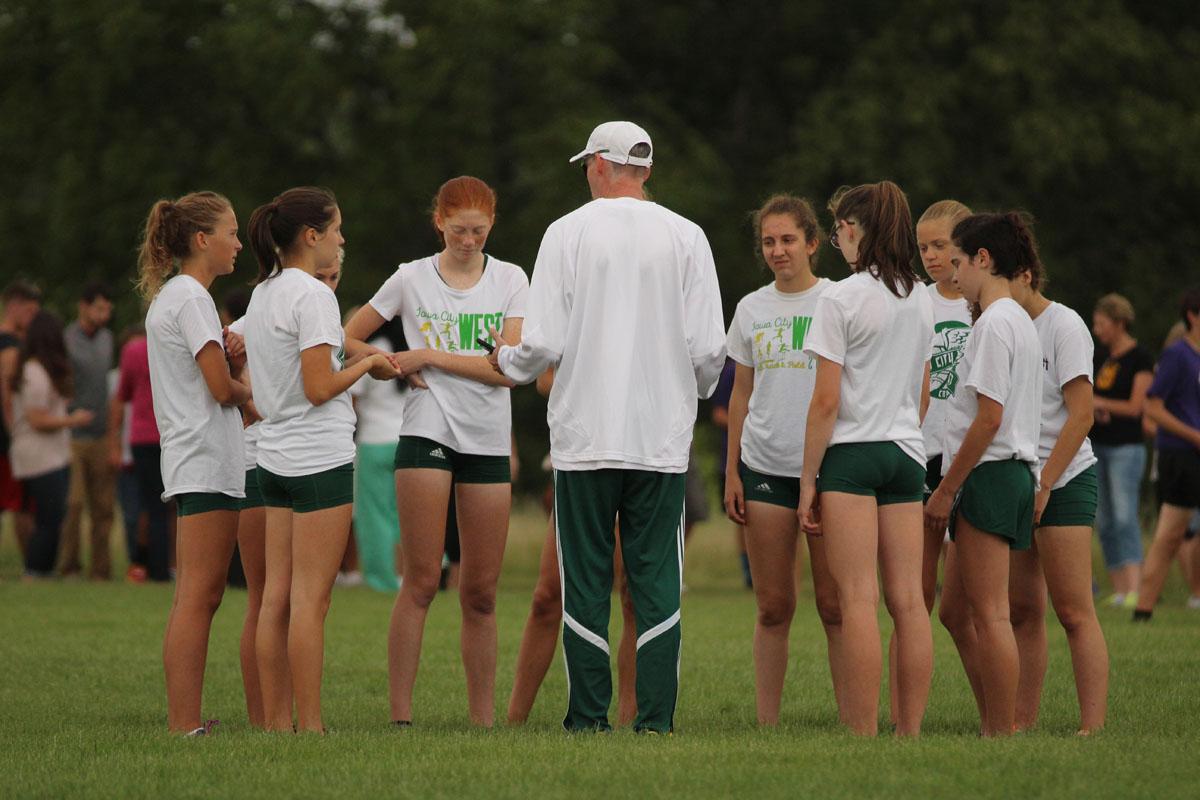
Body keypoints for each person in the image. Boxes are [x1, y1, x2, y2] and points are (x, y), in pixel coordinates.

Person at [491, 121, 726, 734]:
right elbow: (708, 350)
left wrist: (505, 360)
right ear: (643, 169)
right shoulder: (688, 235)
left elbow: (539, 341)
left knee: (586, 581)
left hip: (585, 438)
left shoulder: (566, 231)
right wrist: (687, 393)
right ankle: (654, 720)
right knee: (657, 584)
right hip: (660, 441)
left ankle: (588, 718)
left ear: (600, 165)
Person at [344, 175, 528, 728]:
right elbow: (347, 337)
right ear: (439, 222)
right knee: (422, 580)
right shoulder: (410, 278)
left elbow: (509, 370)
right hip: (426, 433)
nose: (469, 240)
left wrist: (428, 354)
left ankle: (482, 722)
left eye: (479, 230)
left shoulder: (513, 279)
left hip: (488, 442)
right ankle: (400, 718)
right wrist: (389, 364)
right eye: (458, 230)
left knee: (481, 592)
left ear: (491, 225)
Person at [245, 186, 398, 733]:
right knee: (311, 602)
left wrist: (362, 357)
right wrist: (370, 366)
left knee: (275, 600)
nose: (342, 239)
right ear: (312, 237)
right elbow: (318, 387)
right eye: (336, 230)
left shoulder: (264, 292)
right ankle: (309, 726)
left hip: (273, 459)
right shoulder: (313, 296)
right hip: (317, 460)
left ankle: (276, 724)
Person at [798, 181, 934, 737]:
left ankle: (861, 731)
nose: (837, 243)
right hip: (906, 452)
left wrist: (808, 480)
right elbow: (922, 391)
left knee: (858, 599)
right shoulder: (922, 296)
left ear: (854, 230)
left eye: (837, 233)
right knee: (910, 601)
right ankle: (910, 731)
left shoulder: (840, 297)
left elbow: (826, 401)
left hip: (852, 456)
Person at [722, 194, 840, 726]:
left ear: (812, 243)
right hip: (764, 467)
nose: (778, 250)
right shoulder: (751, 309)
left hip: (830, 469)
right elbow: (740, 395)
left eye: (788, 239)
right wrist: (732, 471)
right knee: (773, 607)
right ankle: (767, 723)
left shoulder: (839, 302)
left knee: (836, 607)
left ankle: (852, 715)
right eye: (769, 241)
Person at [924, 212, 1043, 737]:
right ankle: (994, 718)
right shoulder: (1013, 317)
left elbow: (989, 416)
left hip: (991, 475)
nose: (954, 276)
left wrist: (947, 488)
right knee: (955, 610)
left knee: (992, 614)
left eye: (958, 264)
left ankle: (1002, 730)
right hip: (1007, 474)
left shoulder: (996, 322)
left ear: (983, 260)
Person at [138, 190, 253, 735]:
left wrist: (233, 361)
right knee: (200, 596)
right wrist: (248, 384)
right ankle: (184, 726)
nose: (237, 243)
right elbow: (219, 388)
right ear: (202, 240)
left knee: (197, 595)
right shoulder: (191, 299)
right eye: (230, 232)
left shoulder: (178, 296)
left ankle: (185, 721)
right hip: (205, 458)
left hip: (196, 457)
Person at [1005, 258, 1109, 734]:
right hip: (1017, 478)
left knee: (1072, 610)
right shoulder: (998, 324)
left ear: (1026, 275)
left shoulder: (1064, 324)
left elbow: (1082, 415)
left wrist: (1046, 482)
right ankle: (1021, 723)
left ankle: (1091, 726)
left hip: (1065, 478)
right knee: (1023, 611)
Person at [506, 368, 639, 727]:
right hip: (583, 459)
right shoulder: (574, 309)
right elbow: (544, 379)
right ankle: (512, 723)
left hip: (642, 454)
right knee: (547, 595)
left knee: (633, 597)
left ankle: (631, 721)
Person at [909, 199, 984, 725]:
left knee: (967, 610)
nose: (931, 257)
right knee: (913, 597)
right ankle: (908, 714)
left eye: (939, 246)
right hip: (922, 456)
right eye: (922, 248)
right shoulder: (916, 303)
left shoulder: (989, 307)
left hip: (973, 463)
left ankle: (999, 709)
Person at [1132, 288, 1200, 621]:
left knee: (1175, 535)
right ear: (1193, 315)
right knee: (1170, 535)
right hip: (1181, 457)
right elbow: (1152, 407)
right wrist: (1194, 436)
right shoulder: (1178, 355)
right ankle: (1143, 609)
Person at [9, 310, 94, 579]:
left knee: (53, 516)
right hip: (39, 455)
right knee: (49, 517)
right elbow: (36, 419)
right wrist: (72, 420)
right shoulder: (34, 371)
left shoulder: (37, 370)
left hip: (49, 454)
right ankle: (35, 571)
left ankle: (41, 570)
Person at [1090, 293, 1154, 607]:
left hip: (1126, 448)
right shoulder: (1100, 357)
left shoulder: (1140, 358)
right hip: (1097, 445)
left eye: (1102, 324)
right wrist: (1097, 409)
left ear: (1119, 323)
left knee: (1125, 515)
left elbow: (1135, 407)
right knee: (1105, 518)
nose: (1097, 329)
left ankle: (1135, 588)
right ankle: (1118, 590)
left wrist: (1100, 403)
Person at [59, 282, 116, 580]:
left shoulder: (107, 339)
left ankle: (101, 570)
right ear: (83, 306)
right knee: (74, 503)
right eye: (99, 308)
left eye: (108, 309)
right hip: (73, 435)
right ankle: (69, 566)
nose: (104, 315)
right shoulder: (66, 340)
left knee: (104, 507)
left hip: (101, 433)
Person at [349, 315, 407, 592]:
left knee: (375, 515)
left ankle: (381, 579)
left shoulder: (373, 350)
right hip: (407, 440)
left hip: (374, 440)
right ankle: (406, 575)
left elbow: (353, 399)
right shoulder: (412, 350)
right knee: (404, 515)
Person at [108, 326, 171, 582]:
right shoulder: (174, 345)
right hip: (171, 433)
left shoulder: (133, 350)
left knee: (148, 506)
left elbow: (122, 395)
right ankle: (165, 567)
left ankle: (147, 564)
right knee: (170, 507)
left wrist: (114, 442)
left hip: (142, 436)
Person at [1, 279, 42, 559]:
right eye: (29, 311)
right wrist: (14, 431)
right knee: (20, 504)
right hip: (7, 437)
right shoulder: (11, 345)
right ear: (13, 306)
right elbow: (7, 391)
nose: (33, 318)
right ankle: (32, 563)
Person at [711, 358, 752, 588]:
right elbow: (718, 413)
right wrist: (749, 424)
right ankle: (748, 571)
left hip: (766, 453)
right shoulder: (731, 371)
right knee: (742, 516)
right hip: (736, 454)